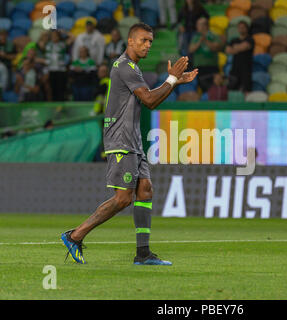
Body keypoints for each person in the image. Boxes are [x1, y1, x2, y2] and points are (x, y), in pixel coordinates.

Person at [60, 22, 198, 266]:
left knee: (145, 189)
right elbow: (149, 101)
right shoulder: (125, 66)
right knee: (123, 199)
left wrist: (174, 82)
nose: (148, 45)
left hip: (132, 140)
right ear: (130, 41)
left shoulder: (132, 67)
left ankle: (143, 254)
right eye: (144, 40)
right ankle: (75, 235)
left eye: (151, 42)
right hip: (121, 140)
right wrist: (172, 79)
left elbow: (148, 97)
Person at [189, 17, 222, 92]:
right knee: (202, 87)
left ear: (205, 26)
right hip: (199, 67)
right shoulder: (196, 37)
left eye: (198, 25)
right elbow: (191, 49)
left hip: (212, 66)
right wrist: (199, 42)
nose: (197, 26)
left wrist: (205, 40)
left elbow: (216, 47)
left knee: (214, 88)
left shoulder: (214, 36)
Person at [225, 21, 254, 93]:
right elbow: (227, 50)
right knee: (232, 90)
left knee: (246, 90)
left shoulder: (250, 39)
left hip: (246, 70)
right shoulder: (233, 40)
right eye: (239, 27)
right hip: (235, 69)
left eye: (243, 27)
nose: (241, 29)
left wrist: (235, 48)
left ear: (247, 29)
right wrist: (239, 48)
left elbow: (244, 47)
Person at [45, 30, 68, 101]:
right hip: (51, 70)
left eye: (55, 36)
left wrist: (64, 32)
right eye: (52, 36)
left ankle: (61, 105)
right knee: (52, 89)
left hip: (61, 70)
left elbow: (73, 38)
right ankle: (54, 106)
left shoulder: (62, 44)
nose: (54, 37)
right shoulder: (48, 44)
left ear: (58, 37)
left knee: (60, 89)